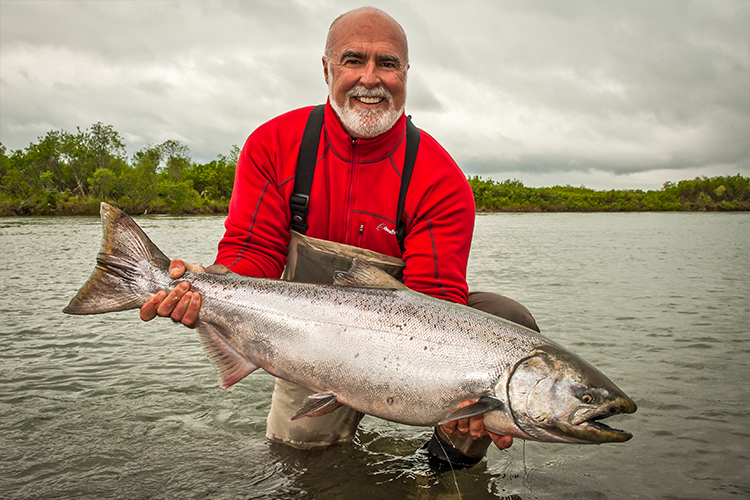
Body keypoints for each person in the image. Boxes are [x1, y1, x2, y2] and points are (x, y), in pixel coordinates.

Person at [140, 6, 539, 468]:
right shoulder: (273, 144)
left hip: (409, 337)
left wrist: (454, 393)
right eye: (354, 60)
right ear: (327, 69)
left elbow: (437, 298)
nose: (371, 78)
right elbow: (253, 254)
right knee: (301, 459)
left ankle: (447, 464)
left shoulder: (440, 178)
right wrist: (204, 289)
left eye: (387, 63)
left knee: (509, 321)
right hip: (305, 336)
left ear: (406, 74)